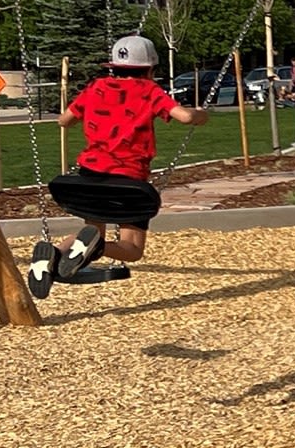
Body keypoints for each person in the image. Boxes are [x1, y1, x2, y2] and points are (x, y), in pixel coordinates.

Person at [27, 34, 202, 299]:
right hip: (128, 184)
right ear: (151, 68)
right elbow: (185, 116)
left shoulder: (96, 87)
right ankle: (96, 249)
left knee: (91, 234)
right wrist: (201, 115)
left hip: (90, 178)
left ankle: (54, 253)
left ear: (113, 66)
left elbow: (63, 120)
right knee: (132, 250)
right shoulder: (150, 91)